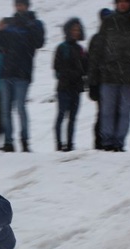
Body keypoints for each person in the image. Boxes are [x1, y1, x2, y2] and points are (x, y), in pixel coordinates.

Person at [89, 0, 130, 152]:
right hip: (108, 75)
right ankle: (107, 141)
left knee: (124, 111)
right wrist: (93, 78)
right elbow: (98, 50)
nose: (123, 5)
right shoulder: (108, 21)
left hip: (129, 74)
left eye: (126, 2)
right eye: (120, 2)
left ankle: (119, 142)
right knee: (107, 111)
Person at [0, 0, 45, 152]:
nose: (20, 7)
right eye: (18, 4)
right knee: (5, 109)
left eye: (22, 4)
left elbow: (38, 42)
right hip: (6, 72)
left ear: (27, 6)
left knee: (20, 107)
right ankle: (8, 142)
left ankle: (25, 140)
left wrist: (29, 26)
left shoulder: (35, 23)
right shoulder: (9, 23)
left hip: (22, 73)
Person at [53, 17, 88, 152]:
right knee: (61, 116)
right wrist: (70, 75)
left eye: (77, 30)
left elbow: (86, 68)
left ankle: (70, 144)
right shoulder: (62, 48)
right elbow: (57, 68)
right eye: (73, 29)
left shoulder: (81, 49)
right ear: (68, 30)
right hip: (64, 88)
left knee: (72, 117)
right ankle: (59, 144)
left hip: (76, 88)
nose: (75, 32)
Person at [87, 8, 113, 150]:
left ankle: (110, 141)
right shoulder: (97, 39)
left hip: (114, 81)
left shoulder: (117, 37)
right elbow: (91, 63)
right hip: (101, 82)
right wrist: (92, 85)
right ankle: (99, 142)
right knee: (103, 113)